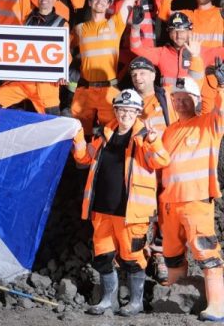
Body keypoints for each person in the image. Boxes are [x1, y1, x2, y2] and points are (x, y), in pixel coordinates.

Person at [72, 89, 168, 316]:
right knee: (103, 257)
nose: (126, 114)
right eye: (122, 109)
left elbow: (161, 161)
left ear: (137, 112)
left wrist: (154, 142)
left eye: (130, 110)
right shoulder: (103, 135)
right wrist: (77, 136)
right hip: (102, 211)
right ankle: (108, 301)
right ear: (115, 110)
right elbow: (83, 158)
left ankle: (136, 302)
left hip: (131, 213)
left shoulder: (145, 136)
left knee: (133, 259)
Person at [157, 65, 224, 322]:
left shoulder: (208, 125)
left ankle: (217, 305)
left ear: (196, 101)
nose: (181, 103)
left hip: (196, 201)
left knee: (206, 253)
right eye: (177, 99)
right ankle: (172, 300)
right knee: (172, 254)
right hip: (170, 204)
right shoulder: (169, 131)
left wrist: (221, 87)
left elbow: (221, 111)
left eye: (187, 99)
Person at [70, 0, 144, 138]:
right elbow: (60, 50)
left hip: (109, 90)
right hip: (84, 90)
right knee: (79, 137)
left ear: (109, 3)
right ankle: (81, 167)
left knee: (109, 135)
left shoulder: (115, 25)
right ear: (89, 2)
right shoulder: (80, 29)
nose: (100, 2)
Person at [0, 0, 68, 114]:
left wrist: (62, 71)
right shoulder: (27, 18)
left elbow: (65, 54)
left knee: (54, 127)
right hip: (22, 83)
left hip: (46, 87)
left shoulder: (62, 23)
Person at [128, 56, 177, 284]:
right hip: (142, 170)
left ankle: (161, 257)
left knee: (166, 215)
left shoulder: (166, 96)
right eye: (134, 75)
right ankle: (137, 258)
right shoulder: (129, 103)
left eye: (143, 73)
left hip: (167, 165)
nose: (139, 78)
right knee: (143, 214)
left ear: (153, 75)